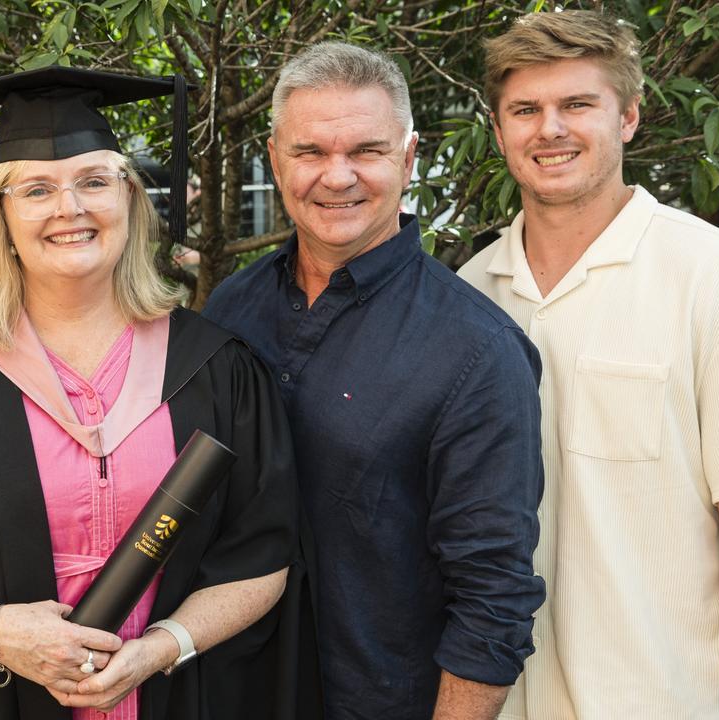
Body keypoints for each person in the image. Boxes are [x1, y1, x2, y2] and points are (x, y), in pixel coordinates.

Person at [0, 67, 311, 720]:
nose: (69, 208)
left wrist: (162, 646)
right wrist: (1, 634)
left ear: (128, 198)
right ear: (2, 215)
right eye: (37, 189)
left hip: (173, 697)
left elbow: (264, 555)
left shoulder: (217, 366)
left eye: (94, 182)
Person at [459, 11, 719, 719]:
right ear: (499, 126)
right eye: (526, 110)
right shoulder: (470, 294)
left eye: (578, 105)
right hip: (502, 703)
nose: (551, 130)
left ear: (628, 116)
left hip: (664, 701)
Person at [202, 42, 545, 720]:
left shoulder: (477, 351)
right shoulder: (230, 311)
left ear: (408, 158)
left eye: (366, 151)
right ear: (275, 159)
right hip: (229, 690)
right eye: (310, 153)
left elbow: (493, 598)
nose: (337, 177)